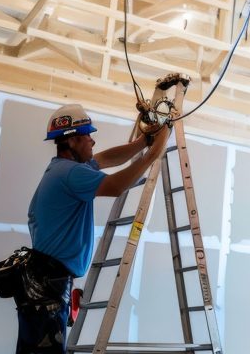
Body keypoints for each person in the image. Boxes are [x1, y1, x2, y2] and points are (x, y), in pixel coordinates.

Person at [16, 103, 171, 354]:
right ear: (74, 141)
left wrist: (144, 142)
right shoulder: (71, 174)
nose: (92, 141)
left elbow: (108, 158)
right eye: (88, 135)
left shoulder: (62, 169)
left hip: (44, 280)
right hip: (48, 283)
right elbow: (115, 186)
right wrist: (153, 154)